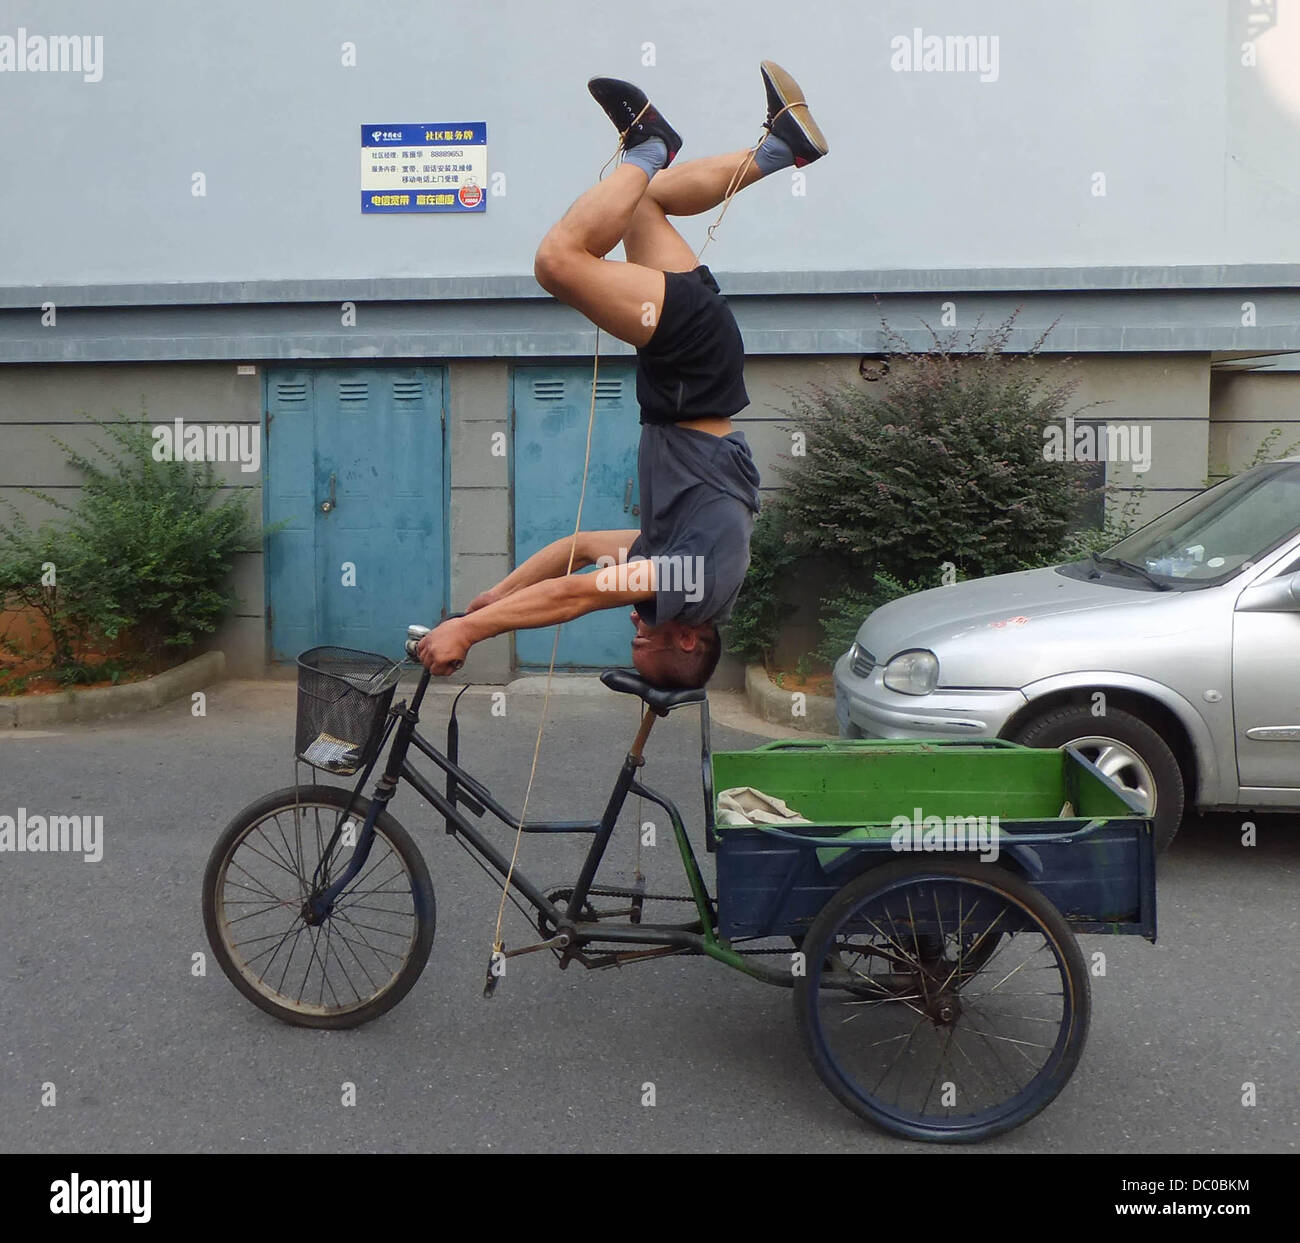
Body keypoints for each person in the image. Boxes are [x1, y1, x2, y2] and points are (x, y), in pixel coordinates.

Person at [417, 62, 828, 687]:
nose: (635, 628)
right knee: (558, 263)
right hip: (691, 367)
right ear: (688, 636)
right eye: (647, 640)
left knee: (646, 203)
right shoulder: (694, 583)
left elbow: (576, 550)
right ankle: (652, 145)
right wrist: (473, 635)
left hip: (688, 372)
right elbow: (580, 594)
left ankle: (778, 149)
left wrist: (490, 602)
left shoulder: (682, 563)